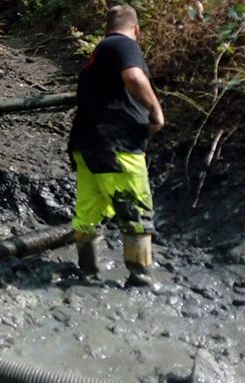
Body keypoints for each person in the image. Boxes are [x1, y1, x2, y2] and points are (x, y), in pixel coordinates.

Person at [68, 4, 164, 289]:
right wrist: (156, 111)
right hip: (116, 146)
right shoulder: (124, 45)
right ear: (136, 30)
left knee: (88, 213)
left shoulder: (96, 54)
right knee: (136, 210)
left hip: (86, 145)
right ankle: (141, 278)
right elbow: (134, 77)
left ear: (105, 28)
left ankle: (88, 273)